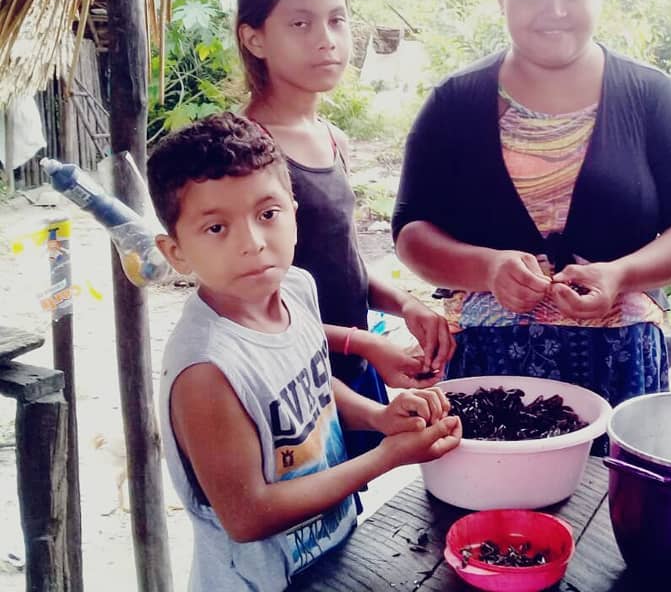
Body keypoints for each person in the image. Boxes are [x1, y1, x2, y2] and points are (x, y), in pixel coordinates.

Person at [392, 0, 671, 409]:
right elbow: (412, 232)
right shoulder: (454, 102)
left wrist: (621, 275)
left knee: (613, 489)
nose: (555, 10)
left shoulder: (653, 96)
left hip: (620, 363)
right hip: (487, 366)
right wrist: (486, 268)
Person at [147, 113, 461, 590]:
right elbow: (248, 517)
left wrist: (379, 417)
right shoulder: (206, 372)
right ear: (177, 253)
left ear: (295, 212)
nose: (253, 244)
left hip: (327, 553)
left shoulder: (295, 287)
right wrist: (386, 457)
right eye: (216, 228)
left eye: (267, 214)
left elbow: (311, 381)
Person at [234, 0, 456, 457]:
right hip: (291, 381)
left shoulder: (333, 138)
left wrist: (405, 305)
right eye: (300, 23)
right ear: (255, 38)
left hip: (351, 369)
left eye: (337, 20)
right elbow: (250, 307)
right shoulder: (244, 153)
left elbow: (340, 263)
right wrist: (363, 342)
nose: (326, 40)